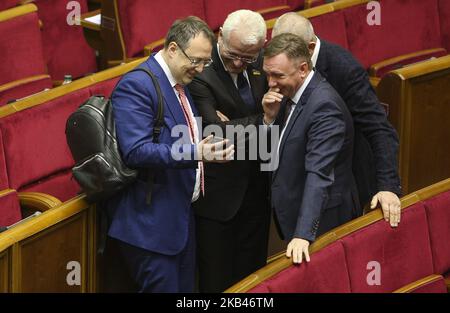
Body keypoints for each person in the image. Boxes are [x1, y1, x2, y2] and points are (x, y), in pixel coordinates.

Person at [105, 16, 234, 293]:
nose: (200, 69)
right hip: (150, 227)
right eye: (196, 60)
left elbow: (172, 132)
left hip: (178, 219)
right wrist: (196, 151)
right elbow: (136, 151)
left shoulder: (178, 81)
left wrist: (201, 136)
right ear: (173, 49)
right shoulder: (137, 85)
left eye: (205, 62)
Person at [272, 13, 402, 227]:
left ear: (310, 48)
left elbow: (379, 129)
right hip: (292, 186)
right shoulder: (276, 60)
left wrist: (387, 186)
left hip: (335, 190)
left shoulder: (345, 69)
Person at [187, 10, 271, 292]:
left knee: (254, 280)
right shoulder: (201, 72)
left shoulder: (261, 60)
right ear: (220, 35)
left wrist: (235, 125)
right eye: (233, 54)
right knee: (217, 282)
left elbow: (282, 111)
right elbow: (214, 135)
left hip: (258, 191)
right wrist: (265, 119)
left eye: (247, 58)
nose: (239, 63)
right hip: (219, 198)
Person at [262, 33, 359, 264]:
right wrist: (268, 119)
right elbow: (277, 150)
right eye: (267, 74)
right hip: (296, 210)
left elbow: (319, 173)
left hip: (323, 221)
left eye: (277, 75)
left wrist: (303, 233)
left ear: (303, 69)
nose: (270, 83)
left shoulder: (324, 107)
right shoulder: (289, 93)